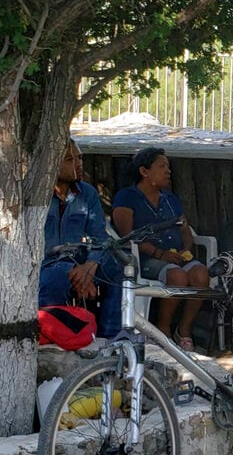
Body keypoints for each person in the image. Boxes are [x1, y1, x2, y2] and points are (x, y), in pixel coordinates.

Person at [112, 147, 210, 350]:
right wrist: (160, 254)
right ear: (144, 171)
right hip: (145, 259)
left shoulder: (170, 199)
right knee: (178, 277)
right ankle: (163, 329)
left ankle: (183, 329)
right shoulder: (127, 197)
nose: (168, 171)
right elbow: (126, 236)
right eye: (162, 166)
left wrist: (186, 249)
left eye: (168, 166)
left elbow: (185, 230)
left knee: (201, 275)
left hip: (174, 256)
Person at [40, 139, 123, 339]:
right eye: (70, 159)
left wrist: (91, 265)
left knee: (118, 266)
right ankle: (49, 339)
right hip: (46, 264)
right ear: (51, 163)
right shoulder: (37, 194)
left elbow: (100, 237)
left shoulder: (87, 193)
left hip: (79, 261)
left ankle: (110, 340)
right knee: (57, 278)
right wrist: (77, 272)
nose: (78, 163)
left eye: (80, 157)